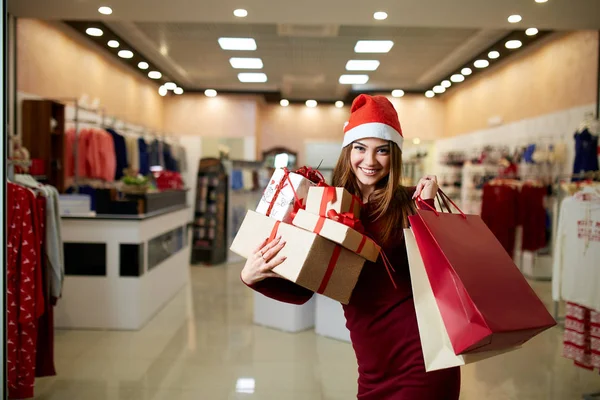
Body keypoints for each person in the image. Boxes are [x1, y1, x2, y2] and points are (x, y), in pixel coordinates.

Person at [241, 94, 461, 400]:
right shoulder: (329, 208)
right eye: (360, 148)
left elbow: (444, 272)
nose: (369, 161)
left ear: (394, 155)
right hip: (372, 370)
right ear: (348, 151)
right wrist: (254, 276)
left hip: (423, 360)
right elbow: (306, 289)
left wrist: (428, 208)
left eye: (381, 150)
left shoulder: (410, 203)